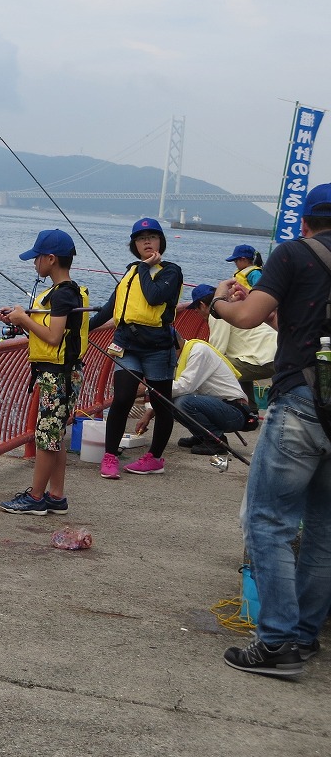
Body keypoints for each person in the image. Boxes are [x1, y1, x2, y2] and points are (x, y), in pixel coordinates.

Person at [211, 184, 331, 678]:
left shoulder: (294, 254)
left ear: (305, 222)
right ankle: (303, 636)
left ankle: (277, 642)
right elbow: (303, 325)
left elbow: (243, 318)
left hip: (301, 404)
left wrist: (221, 298)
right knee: (324, 531)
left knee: (269, 522)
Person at [0, 229, 89, 515]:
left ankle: (36, 497)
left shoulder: (63, 295)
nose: (35, 263)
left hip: (58, 375)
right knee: (55, 435)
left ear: (51, 259)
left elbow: (53, 337)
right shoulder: (64, 293)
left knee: (46, 437)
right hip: (62, 372)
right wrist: (20, 319)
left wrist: (24, 318)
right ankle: (56, 496)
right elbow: (49, 329)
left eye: (37, 258)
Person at [89, 217, 184, 478]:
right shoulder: (130, 271)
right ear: (134, 245)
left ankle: (154, 458)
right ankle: (109, 456)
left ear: (160, 242)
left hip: (158, 348)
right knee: (121, 398)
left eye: (152, 238)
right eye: (141, 239)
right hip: (127, 344)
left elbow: (154, 297)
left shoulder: (171, 271)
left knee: (161, 403)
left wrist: (144, 268)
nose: (147, 242)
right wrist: (81, 330)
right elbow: (110, 308)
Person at [135, 287, 253, 457]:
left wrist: (146, 389)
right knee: (176, 399)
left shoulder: (198, 351)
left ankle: (215, 440)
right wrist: (148, 414)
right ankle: (202, 435)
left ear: (173, 346)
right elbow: (169, 390)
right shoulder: (180, 357)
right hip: (219, 407)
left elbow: (185, 386)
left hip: (234, 411)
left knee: (183, 402)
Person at [202, 279, 277, 414]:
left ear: (201, 305)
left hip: (265, 359)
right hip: (276, 353)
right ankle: (250, 410)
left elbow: (216, 351)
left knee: (217, 370)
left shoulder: (219, 314)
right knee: (239, 365)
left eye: (195, 310)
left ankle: (211, 410)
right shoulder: (238, 305)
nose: (196, 314)